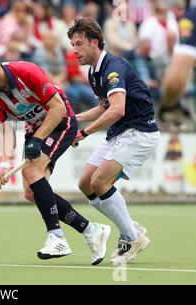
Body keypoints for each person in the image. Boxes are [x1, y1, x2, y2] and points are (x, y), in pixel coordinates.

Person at [0, 40, 111, 265]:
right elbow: (6, 130)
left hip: (61, 123)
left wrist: (39, 139)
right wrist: (4, 164)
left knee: (32, 171)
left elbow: (58, 107)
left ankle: (57, 237)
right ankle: (92, 230)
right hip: (35, 131)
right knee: (31, 192)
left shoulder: (26, 72)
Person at [67, 18, 160, 266]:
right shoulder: (94, 71)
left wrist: (84, 133)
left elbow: (117, 109)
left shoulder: (113, 67)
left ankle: (131, 237)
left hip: (140, 131)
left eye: (79, 44)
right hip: (120, 131)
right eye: (72, 44)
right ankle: (130, 227)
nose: (74, 50)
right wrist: (74, 120)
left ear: (94, 43)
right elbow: (103, 107)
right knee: (85, 183)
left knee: (100, 181)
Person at [161, 6, 196, 118]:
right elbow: (173, 84)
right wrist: (170, 106)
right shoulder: (192, 17)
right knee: (174, 85)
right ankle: (172, 111)